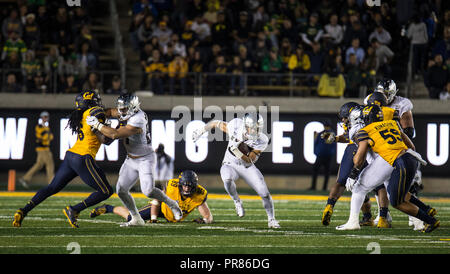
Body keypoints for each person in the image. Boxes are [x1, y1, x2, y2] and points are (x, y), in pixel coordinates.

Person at [13, 90, 114, 228]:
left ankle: (23, 211)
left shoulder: (81, 115)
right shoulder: (94, 111)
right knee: (106, 191)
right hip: (83, 157)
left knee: (51, 188)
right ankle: (75, 209)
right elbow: (103, 132)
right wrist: (115, 126)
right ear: (91, 102)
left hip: (71, 156)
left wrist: (112, 124)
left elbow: (106, 131)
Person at [336, 104, 439, 233]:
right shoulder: (391, 123)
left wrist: (354, 172)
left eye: (346, 118)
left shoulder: (363, 130)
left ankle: (353, 222)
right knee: (396, 195)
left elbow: (360, 154)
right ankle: (420, 221)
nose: (345, 121)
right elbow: (411, 146)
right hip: (406, 158)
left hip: (388, 160)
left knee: (360, 187)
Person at [86, 93, 182, 226]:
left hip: (145, 158)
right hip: (130, 159)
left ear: (133, 107)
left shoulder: (138, 118)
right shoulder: (125, 112)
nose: (121, 111)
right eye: (121, 108)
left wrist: (98, 125)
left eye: (124, 109)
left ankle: (172, 203)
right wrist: (93, 113)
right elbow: (109, 112)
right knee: (121, 190)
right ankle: (136, 218)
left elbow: (114, 134)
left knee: (148, 190)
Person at [192, 113, 281, 228]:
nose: (256, 130)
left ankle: (271, 219)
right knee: (227, 179)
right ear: (246, 125)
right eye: (254, 127)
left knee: (264, 193)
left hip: (246, 166)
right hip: (230, 163)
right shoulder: (236, 126)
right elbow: (216, 123)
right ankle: (237, 201)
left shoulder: (262, 140)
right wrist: (200, 131)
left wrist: (238, 152)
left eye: (258, 128)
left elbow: (250, 160)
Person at [90, 170, 213, 224]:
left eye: (189, 186)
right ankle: (107, 208)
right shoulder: (172, 186)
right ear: (180, 185)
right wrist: (153, 218)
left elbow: (208, 216)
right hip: (160, 208)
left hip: (172, 216)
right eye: (184, 185)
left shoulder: (199, 195)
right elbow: (157, 200)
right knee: (131, 218)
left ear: (195, 186)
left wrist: (205, 220)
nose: (186, 188)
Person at [18, 111, 54, 188]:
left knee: (39, 165)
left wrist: (46, 137)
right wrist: (46, 137)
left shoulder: (46, 127)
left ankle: (25, 178)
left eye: (47, 117)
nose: (46, 118)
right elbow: (43, 137)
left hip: (44, 148)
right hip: (43, 149)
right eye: (44, 117)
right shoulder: (40, 127)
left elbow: (51, 137)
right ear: (41, 118)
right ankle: (51, 183)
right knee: (50, 164)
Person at [310, 120, 336, 191]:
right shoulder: (330, 133)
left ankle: (318, 187)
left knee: (323, 172)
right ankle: (317, 187)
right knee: (322, 171)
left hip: (324, 155)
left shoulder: (328, 134)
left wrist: (317, 152)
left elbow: (326, 143)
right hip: (324, 155)